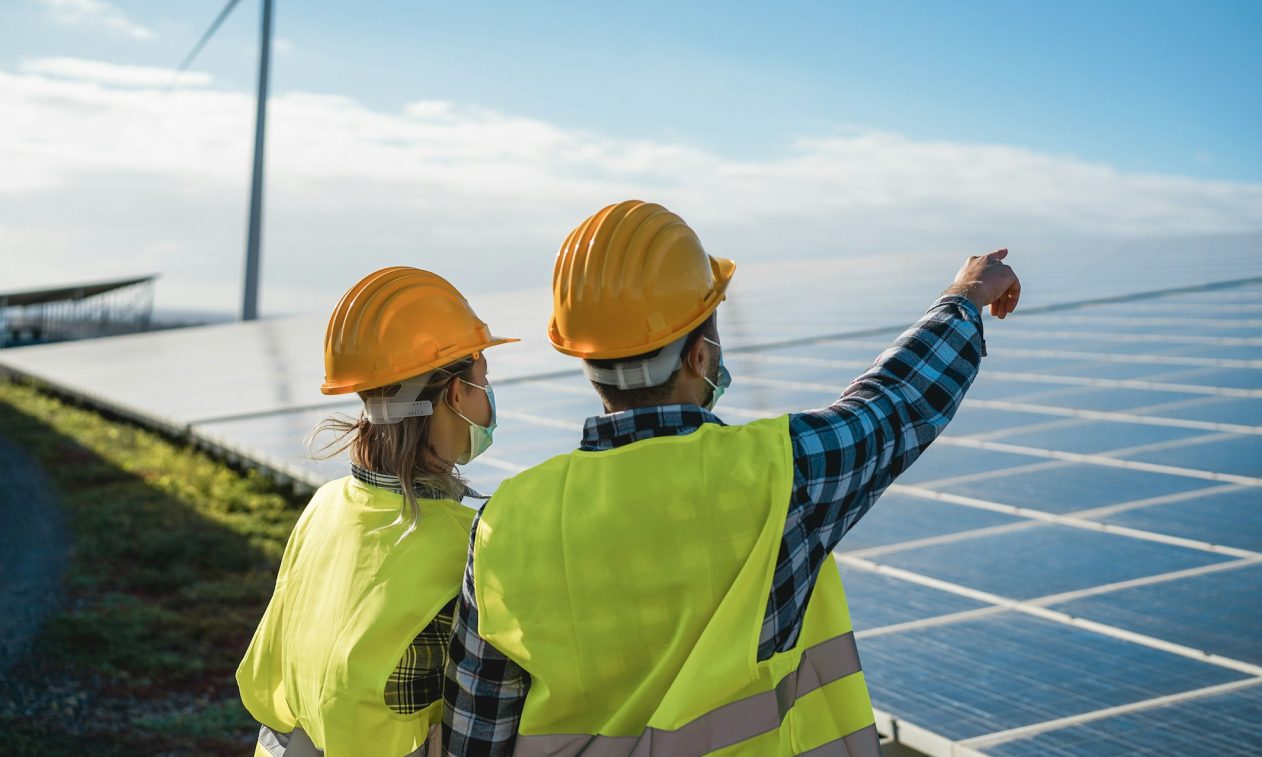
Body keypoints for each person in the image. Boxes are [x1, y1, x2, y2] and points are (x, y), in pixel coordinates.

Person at [443, 201, 1020, 755]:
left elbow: (478, 726)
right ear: (699, 355)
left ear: (588, 362)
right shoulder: (781, 471)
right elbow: (895, 402)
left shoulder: (504, 521)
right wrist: (965, 296)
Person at [238, 266, 517, 757]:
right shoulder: (472, 542)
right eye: (483, 379)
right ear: (456, 393)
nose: (488, 394)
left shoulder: (325, 505)